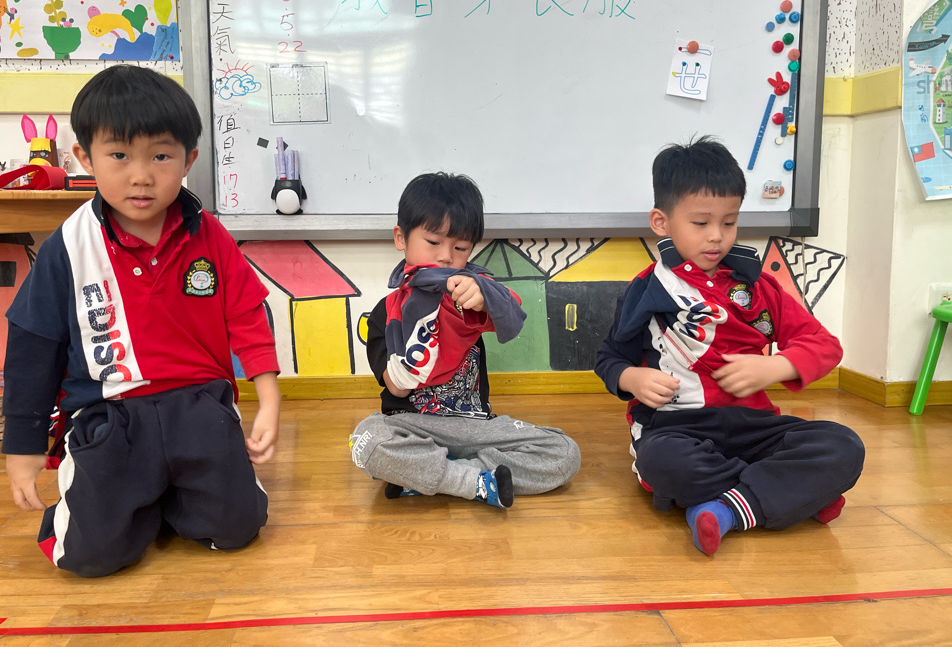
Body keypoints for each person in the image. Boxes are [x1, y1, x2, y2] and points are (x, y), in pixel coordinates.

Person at [2, 65, 281, 577]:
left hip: (199, 406)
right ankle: (116, 498)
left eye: (160, 156)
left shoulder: (210, 235)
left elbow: (246, 315)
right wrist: (23, 447)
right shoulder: (69, 246)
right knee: (90, 558)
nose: (141, 175)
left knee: (237, 530)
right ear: (84, 157)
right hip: (110, 415)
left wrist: (269, 399)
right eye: (118, 155)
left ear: (188, 159)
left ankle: (169, 492)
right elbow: (32, 347)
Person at [594, 136, 864, 555]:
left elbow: (824, 346)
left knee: (843, 445)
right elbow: (609, 358)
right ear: (661, 222)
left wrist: (776, 366)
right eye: (701, 223)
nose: (717, 237)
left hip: (754, 426)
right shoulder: (646, 289)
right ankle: (786, 495)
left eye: (729, 222)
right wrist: (633, 378)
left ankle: (724, 509)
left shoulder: (758, 286)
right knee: (661, 463)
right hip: (677, 428)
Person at [349, 172, 580, 508]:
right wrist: (415, 349)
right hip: (413, 426)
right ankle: (475, 481)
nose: (446, 256)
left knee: (564, 453)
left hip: (475, 428)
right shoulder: (385, 312)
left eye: (460, 248)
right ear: (401, 237)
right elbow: (396, 388)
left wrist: (484, 296)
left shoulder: (471, 292)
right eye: (433, 242)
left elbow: (510, 312)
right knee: (367, 439)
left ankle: (437, 476)